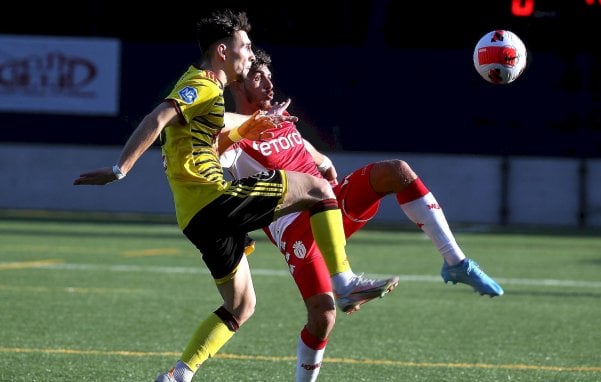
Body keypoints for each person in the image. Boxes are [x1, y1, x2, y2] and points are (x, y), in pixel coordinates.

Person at [73, 10, 397, 382]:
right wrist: (120, 170)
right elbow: (158, 117)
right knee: (319, 189)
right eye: (245, 47)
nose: (249, 54)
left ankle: (179, 374)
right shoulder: (204, 85)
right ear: (223, 51)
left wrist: (249, 128)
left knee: (241, 306)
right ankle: (343, 282)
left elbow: (205, 146)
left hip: (195, 220)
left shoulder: (207, 96)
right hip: (215, 202)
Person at [222, 48, 504, 381]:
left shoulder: (281, 120)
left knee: (397, 171)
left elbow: (311, 155)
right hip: (296, 230)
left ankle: (457, 263)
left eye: (270, 75)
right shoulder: (235, 138)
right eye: (258, 77)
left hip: (328, 207)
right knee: (322, 317)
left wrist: (323, 161)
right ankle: (340, 297)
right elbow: (217, 151)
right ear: (238, 86)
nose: (269, 82)